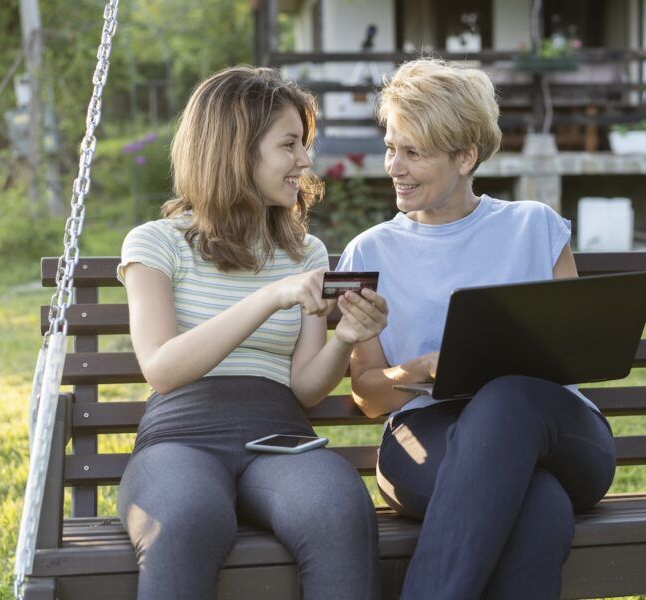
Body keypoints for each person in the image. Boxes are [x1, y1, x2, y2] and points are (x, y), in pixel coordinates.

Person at [337, 58, 617, 599]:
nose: (395, 167)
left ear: (465, 157)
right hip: (429, 436)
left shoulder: (534, 226)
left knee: (507, 397)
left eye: (414, 153)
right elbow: (368, 396)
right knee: (539, 506)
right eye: (391, 148)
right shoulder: (370, 252)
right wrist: (421, 368)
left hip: (555, 429)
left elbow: (574, 352)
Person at [116, 66, 387, 600]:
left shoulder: (305, 253)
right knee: (187, 518)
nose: (305, 161)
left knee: (338, 507)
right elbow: (161, 368)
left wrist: (346, 338)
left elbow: (306, 387)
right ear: (236, 150)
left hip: (279, 438)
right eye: (289, 144)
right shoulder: (156, 243)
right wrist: (268, 297)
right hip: (180, 441)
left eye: (304, 144)